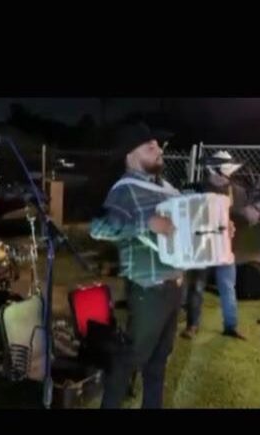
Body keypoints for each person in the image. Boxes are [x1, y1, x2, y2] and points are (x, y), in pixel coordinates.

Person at [90, 122, 181, 409]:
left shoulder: (169, 190)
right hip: (147, 289)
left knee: (159, 361)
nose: (158, 151)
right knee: (132, 357)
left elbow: (187, 229)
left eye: (158, 146)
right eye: (150, 147)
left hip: (174, 286)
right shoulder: (124, 190)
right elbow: (98, 227)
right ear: (131, 156)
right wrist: (146, 223)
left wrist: (217, 229)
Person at [180, 150, 260, 341]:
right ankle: (192, 325)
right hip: (202, 247)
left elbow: (244, 218)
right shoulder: (198, 189)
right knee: (197, 286)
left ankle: (231, 326)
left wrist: (250, 216)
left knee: (228, 287)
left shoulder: (238, 192)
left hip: (225, 248)